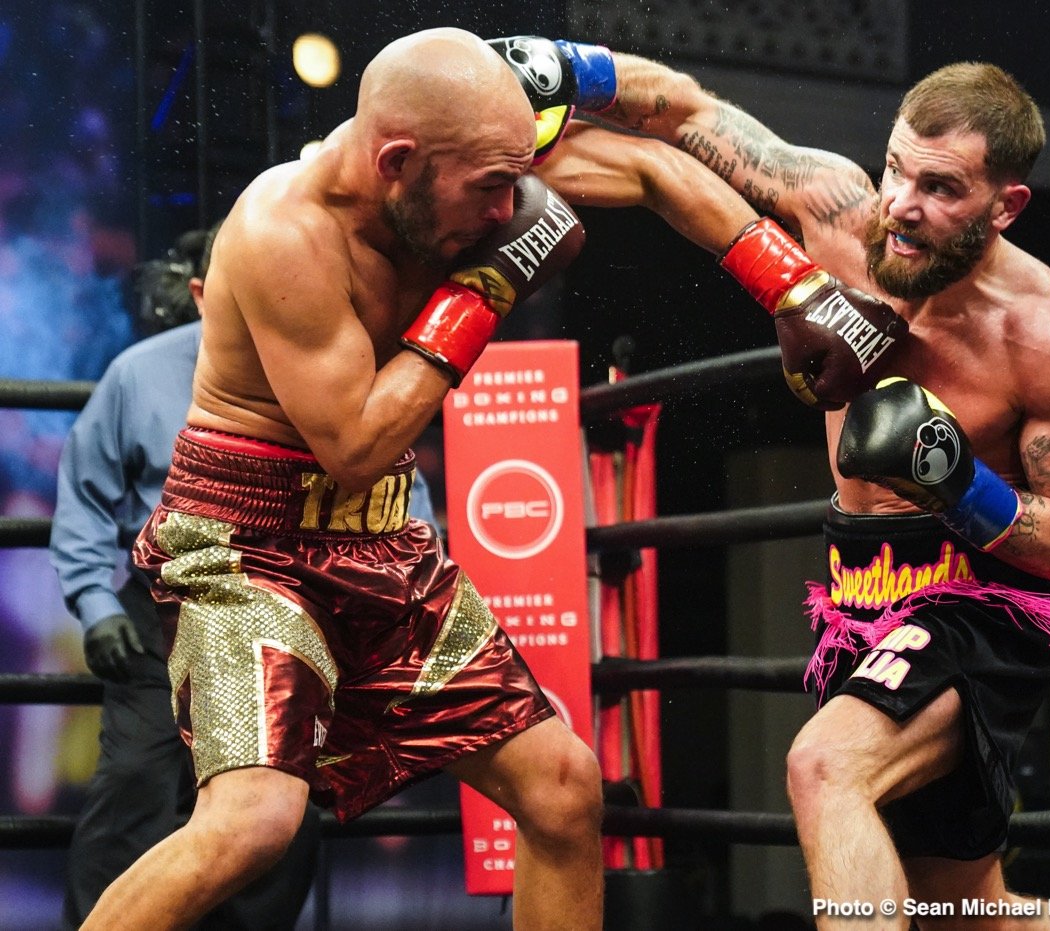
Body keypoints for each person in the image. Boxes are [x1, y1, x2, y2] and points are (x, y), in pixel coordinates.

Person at [79, 27, 854, 931]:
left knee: (563, 787)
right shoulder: (282, 231)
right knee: (253, 821)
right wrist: (490, 282)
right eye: (489, 189)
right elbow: (359, 443)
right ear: (398, 161)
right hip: (249, 547)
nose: (505, 210)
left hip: (379, 541)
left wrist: (795, 295)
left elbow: (652, 166)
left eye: (509, 185)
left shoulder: (476, 145)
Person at [519, 40, 1050, 926]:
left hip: (981, 604)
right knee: (968, 906)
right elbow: (685, 114)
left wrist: (961, 484)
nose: (902, 208)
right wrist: (563, 76)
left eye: (941, 189)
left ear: (1007, 205)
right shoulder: (841, 212)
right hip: (861, 589)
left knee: (824, 767)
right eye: (896, 171)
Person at [51, 222, 342, 930]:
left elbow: (397, 502)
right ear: (202, 293)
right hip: (164, 605)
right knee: (135, 787)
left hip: (287, 605)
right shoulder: (141, 373)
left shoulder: (334, 370)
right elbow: (85, 491)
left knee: (275, 806)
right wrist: (97, 606)